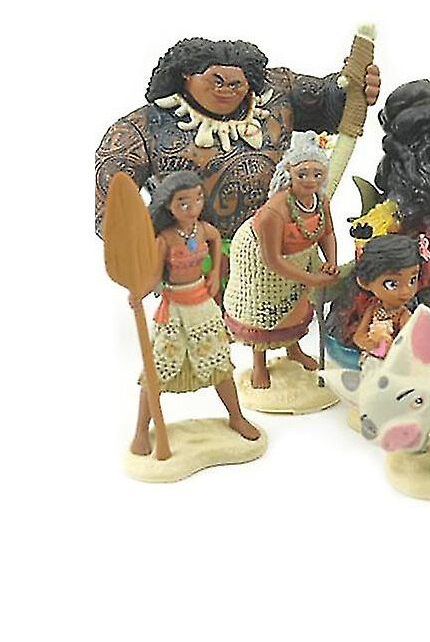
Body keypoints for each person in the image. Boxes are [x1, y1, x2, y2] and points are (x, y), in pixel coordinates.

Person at [95, 36, 380, 240]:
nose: (227, 90)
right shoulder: (140, 129)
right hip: (196, 261)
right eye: (216, 81)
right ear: (185, 76)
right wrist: (153, 252)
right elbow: (112, 214)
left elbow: (326, 102)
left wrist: (351, 88)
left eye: (235, 84)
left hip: (282, 245)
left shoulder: (277, 93)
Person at [128, 170, 260, 455]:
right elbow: (154, 276)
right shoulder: (164, 240)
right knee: (156, 371)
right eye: (183, 203)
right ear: (168, 206)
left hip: (203, 305)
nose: (193, 207)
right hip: (174, 309)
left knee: (220, 364)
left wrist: (214, 272)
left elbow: (216, 238)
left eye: (198, 199)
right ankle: (140, 430)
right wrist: (139, 293)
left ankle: (236, 416)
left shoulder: (202, 229)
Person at [223, 132, 340, 388]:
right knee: (263, 310)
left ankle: (293, 349)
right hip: (261, 263)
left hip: (300, 257)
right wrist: (312, 279)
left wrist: (331, 260)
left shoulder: (321, 201)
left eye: (317, 174)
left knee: (296, 306)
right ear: (290, 172)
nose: (310, 180)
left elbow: (327, 233)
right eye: (303, 174)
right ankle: (259, 363)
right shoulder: (274, 212)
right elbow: (272, 259)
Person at [350, 234, 426, 357]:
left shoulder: (403, 315)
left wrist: (390, 348)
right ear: (364, 283)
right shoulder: (373, 309)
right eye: (392, 284)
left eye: (412, 280)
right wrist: (370, 344)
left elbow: (409, 342)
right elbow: (359, 336)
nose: (406, 291)